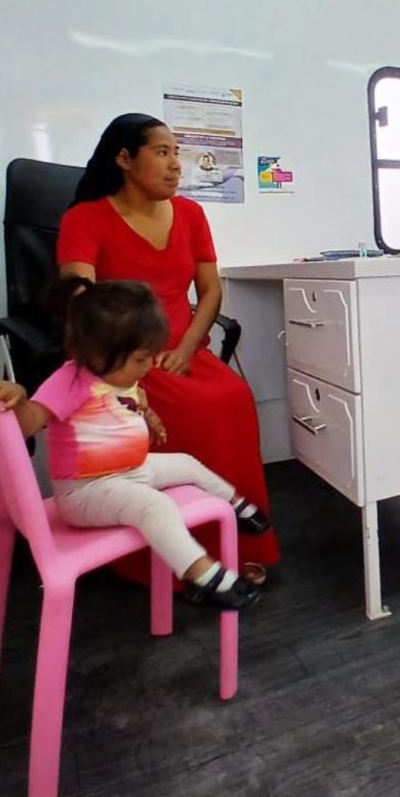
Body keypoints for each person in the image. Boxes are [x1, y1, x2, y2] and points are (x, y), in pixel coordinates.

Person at [57, 113, 279, 579]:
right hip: (124, 359)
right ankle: (174, 559)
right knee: (194, 410)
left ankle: (237, 541)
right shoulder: (85, 219)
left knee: (235, 397)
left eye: (177, 153)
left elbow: (210, 291)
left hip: (185, 351)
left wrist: (186, 350)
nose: (177, 164)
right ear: (124, 159)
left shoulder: (192, 214)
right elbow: (80, 300)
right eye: (162, 153)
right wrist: (123, 365)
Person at [0, 279, 265, 609]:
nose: (149, 366)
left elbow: (134, 403)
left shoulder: (118, 375)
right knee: (155, 507)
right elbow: (30, 421)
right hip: (86, 491)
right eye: (142, 359)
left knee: (188, 463)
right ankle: (203, 577)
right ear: (99, 354)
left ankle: (238, 507)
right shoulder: (71, 380)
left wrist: (151, 418)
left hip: (129, 472)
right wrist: (17, 397)